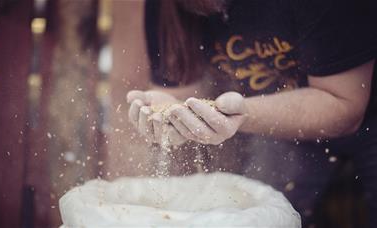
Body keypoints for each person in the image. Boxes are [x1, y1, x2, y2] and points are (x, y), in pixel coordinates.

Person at [125, 0, 377, 226]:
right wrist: (169, 115)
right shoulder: (166, 5)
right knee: (260, 213)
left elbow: (345, 108)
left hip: (364, 114)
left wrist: (243, 114)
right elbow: (177, 91)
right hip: (278, 122)